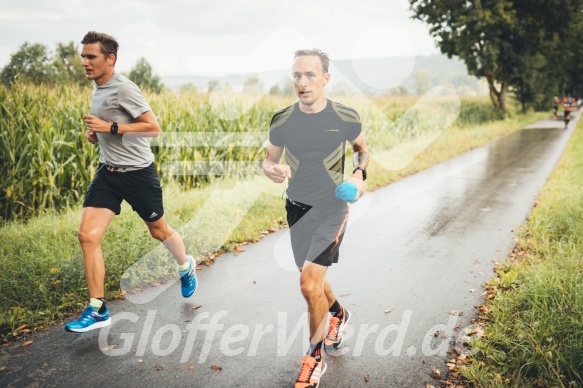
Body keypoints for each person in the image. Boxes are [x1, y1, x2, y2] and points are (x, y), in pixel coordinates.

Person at [65, 31, 197, 333]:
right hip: (108, 174)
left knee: (159, 231)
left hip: (138, 175)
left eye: (91, 57)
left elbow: (153, 128)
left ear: (110, 59)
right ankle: (97, 309)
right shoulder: (98, 87)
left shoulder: (124, 88)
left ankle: (184, 266)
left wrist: (110, 127)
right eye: (83, 56)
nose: (84, 62)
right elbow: (111, 128)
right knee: (87, 235)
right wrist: (97, 134)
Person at [263, 49, 369, 387]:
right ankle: (338, 313)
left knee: (308, 284)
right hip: (296, 208)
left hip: (331, 208)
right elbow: (268, 161)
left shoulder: (344, 116)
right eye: (297, 75)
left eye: (310, 75)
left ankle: (314, 358)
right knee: (315, 280)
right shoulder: (282, 119)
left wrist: (358, 176)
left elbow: (361, 149)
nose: (302, 82)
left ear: (326, 78)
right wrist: (274, 170)